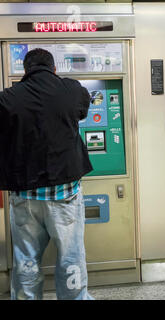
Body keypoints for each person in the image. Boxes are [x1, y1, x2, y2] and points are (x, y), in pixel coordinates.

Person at [0, 48, 94, 300]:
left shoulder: (8, 98)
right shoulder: (72, 91)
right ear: (54, 69)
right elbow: (83, 109)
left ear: (25, 71)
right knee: (70, 257)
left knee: (26, 260)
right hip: (64, 197)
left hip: (25, 199)